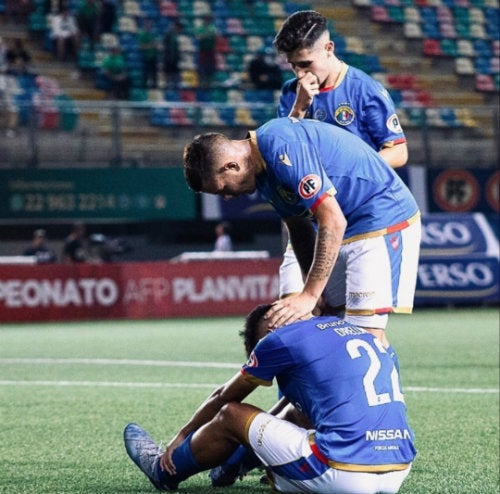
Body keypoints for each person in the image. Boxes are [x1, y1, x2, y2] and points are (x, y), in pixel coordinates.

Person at [124, 304, 416, 493]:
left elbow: (224, 397)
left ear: (271, 329)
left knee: (231, 414)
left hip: (340, 473)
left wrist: (183, 434)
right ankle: (233, 464)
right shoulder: (362, 335)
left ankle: (164, 471)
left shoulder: (279, 339)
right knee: (294, 411)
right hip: (397, 470)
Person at [183, 117, 421, 349]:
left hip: (381, 216)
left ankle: (386, 390)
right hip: (346, 226)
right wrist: (316, 292)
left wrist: (308, 294)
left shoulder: (281, 146)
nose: (227, 197)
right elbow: (298, 227)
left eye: (222, 188)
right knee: (331, 324)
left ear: (232, 166)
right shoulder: (263, 173)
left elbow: (333, 220)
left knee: (364, 335)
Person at [273, 10, 410, 307]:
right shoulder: (290, 94)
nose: (300, 74)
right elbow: (281, 154)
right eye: (293, 66)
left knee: (351, 319)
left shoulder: (364, 89)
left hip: (356, 221)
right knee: (292, 312)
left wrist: (349, 172)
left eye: (306, 64)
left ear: (329, 49)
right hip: (310, 219)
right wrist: (298, 110)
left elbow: (398, 152)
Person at [194, 15, 217, 88]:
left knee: (210, 67)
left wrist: (205, 36)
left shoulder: (212, 27)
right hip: (202, 50)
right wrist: (207, 35)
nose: (207, 20)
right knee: (202, 67)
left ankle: (209, 83)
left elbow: (215, 35)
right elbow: (198, 37)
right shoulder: (200, 28)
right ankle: (201, 82)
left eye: (208, 19)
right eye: (206, 19)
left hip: (211, 50)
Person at [137, 18, 159, 89]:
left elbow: (157, 45)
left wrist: (156, 46)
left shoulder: (154, 34)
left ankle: (154, 86)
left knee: (154, 73)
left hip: (154, 56)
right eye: (147, 24)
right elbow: (141, 47)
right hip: (146, 56)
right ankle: (144, 86)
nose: (149, 25)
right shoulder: (142, 34)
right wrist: (150, 45)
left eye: (150, 24)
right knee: (145, 72)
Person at [162, 21, 182, 89]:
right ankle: (168, 84)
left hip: (175, 58)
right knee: (168, 72)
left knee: (175, 72)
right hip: (168, 57)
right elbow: (165, 45)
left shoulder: (177, 35)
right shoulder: (169, 34)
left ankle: (175, 85)